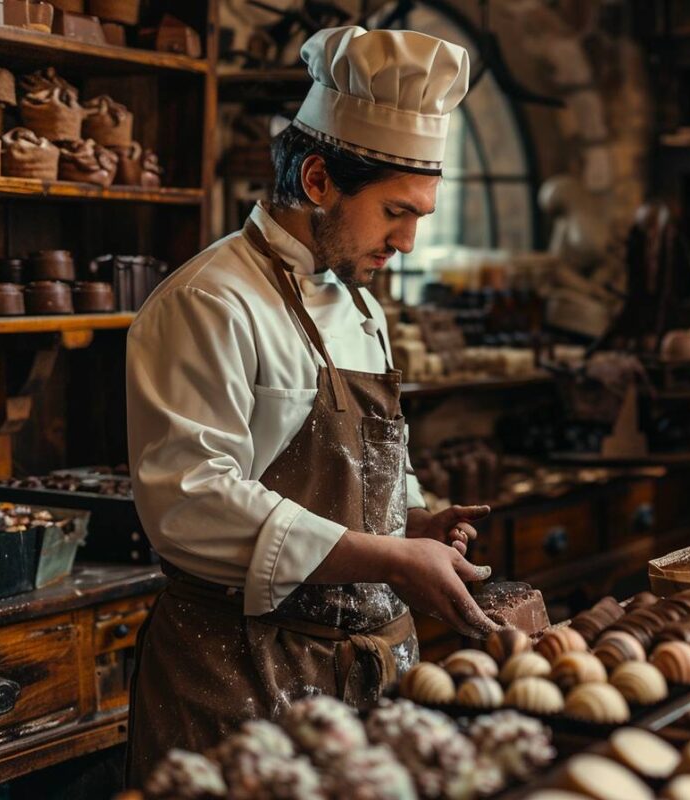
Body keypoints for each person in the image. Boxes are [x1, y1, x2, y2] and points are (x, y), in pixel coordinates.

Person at [123, 26, 499, 784]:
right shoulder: (210, 301)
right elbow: (190, 501)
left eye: (421, 214)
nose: (408, 242)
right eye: (397, 211)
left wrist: (410, 520)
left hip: (365, 675)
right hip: (239, 676)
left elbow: (372, 462)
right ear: (320, 180)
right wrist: (389, 555)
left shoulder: (362, 308)